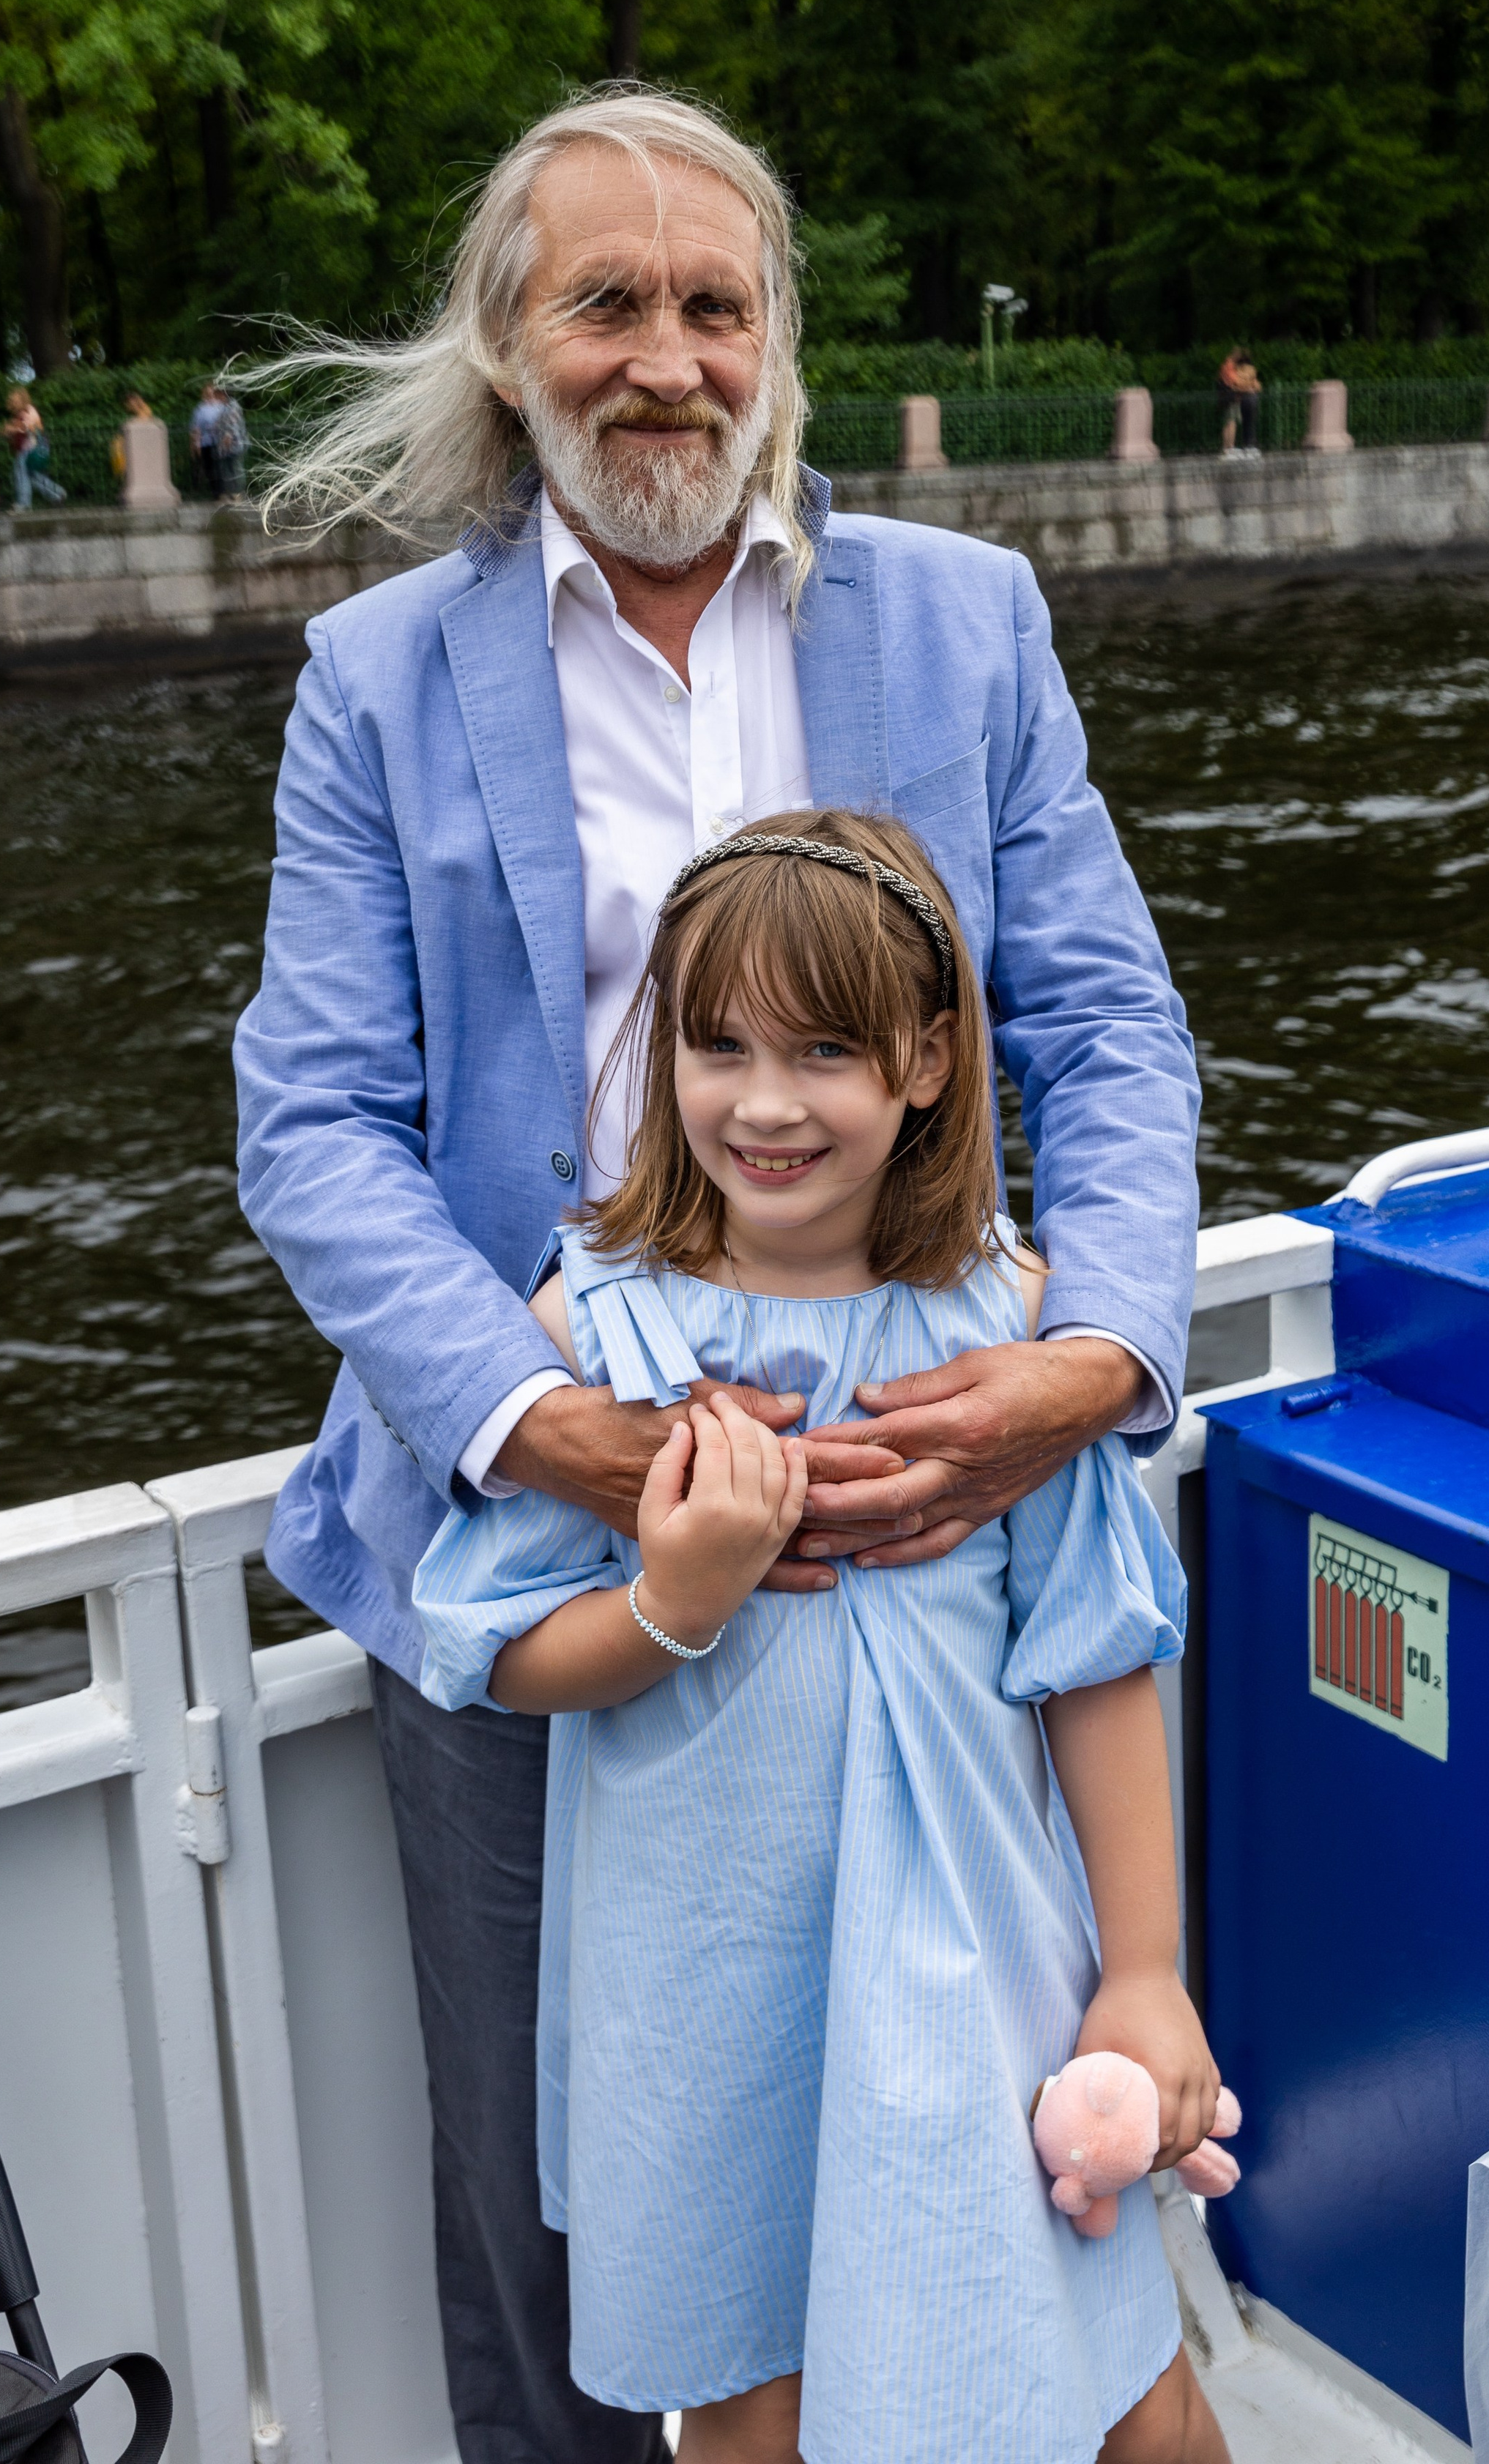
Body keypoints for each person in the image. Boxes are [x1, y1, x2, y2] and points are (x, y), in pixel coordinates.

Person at [234, 86, 1200, 2464]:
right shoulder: (373, 675)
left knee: (969, 2124)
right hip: (537, 1516)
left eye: (712, 303)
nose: (661, 358)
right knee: (562, 2212)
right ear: (508, 342)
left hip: (924, 1504)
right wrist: (568, 1437)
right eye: (605, 302)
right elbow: (315, 1122)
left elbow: (1101, 1020)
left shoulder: (966, 621)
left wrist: (1092, 1356)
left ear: (777, 340)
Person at [410, 811, 1225, 2464]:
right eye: (716, 1045)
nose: (762, 1101)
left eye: (825, 1050)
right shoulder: (594, 1329)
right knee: (753, 2397)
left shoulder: (1004, 1334)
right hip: (706, 1981)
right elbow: (494, 1644)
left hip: (970, 1945)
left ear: (926, 1063)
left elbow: (1093, 1653)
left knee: (1122, 2385)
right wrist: (669, 1602)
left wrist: (1141, 1971)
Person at [4, 387, 67, 507]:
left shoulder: (27, 411)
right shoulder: (24, 412)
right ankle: (58, 494)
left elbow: (30, 428)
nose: (14, 402)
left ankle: (23, 503)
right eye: (13, 400)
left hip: (29, 448)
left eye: (15, 400)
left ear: (22, 399)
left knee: (21, 474)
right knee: (32, 476)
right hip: (33, 447)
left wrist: (12, 429)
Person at [1217, 348, 1261, 458]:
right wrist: (1248, 388)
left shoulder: (1234, 367)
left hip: (1235, 398)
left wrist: (1247, 386)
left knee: (1232, 421)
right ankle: (1229, 448)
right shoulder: (1230, 367)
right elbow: (1235, 383)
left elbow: (1255, 385)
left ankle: (1230, 447)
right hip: (1232, 398)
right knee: (1231, 421)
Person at [111, 388, 155, 487]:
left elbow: (144, 420)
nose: (128, 406)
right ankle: (121, 471)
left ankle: (122, 471)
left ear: (134, 402)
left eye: (129, 403)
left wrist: (128, 424)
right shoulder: (141, 410)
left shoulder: (145, 410)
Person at [190, 381, 227, 496]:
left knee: (221, 466)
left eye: (212, 392)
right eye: (208, 392)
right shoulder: (200, 409)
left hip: (220, 440)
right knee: (209, 467)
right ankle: (215, 492)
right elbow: (196, 428)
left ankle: (224, 491)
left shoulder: (222, 406)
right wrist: (197, 444)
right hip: (206, 441)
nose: (210, 394)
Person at [212, 382, 248, 498]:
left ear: (223, 394)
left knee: (235, 469)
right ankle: (232, 493)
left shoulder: (233, 407)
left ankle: (238, 492)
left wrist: (226, 442)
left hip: (234, 445)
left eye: (216, 394)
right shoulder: (227, 406)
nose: (215, 396)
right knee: (229, 470)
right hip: (229, 445)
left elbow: (232, 427)